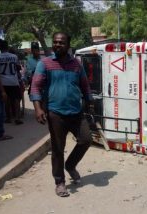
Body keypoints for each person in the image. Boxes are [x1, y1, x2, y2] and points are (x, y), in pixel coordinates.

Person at [30, 32, 93, 197]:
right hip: (55, 113)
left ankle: (70, 165)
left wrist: (89, 101)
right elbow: (35, 86)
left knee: (86, 139)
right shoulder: (45, 63)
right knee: (58, 149)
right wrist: (38, 108)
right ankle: (60, 182)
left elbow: (85, 85)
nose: (57, 45)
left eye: (61, 42)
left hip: (76, 112)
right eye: (56, 42)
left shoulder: (77, 64)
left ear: (68, 45)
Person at [0, 41, 23, 125]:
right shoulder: (14, 56)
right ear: (7, 47)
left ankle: (8, 118)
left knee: (6, 100)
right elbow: (18, 67)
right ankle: (17, 118)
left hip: (3, 82)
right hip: (13, 81)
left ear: (0, 48)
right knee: (16, 99)